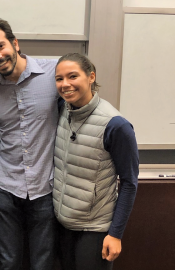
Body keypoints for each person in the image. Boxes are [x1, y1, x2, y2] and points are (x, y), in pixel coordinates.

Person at [0, 17, 59, 269]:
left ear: (15, 43)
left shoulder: (53, 73)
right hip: (6, 189)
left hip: (46, 187)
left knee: (42, 263)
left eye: (0, 47)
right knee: (7, 262)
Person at [53, 53, 138, 270]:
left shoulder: (116, 125)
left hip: (94, 230)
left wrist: (115, 234)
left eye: (73, 76)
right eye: (59, 79)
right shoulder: (63, 109)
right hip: (63, 224)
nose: (65, 84)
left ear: (91, 77)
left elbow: (129, 182)